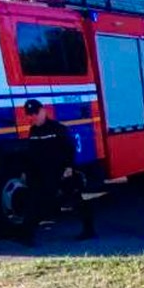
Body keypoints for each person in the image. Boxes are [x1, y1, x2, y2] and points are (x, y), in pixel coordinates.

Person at [21, 99, 96, 244]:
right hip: (43, 174)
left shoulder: (57, 128)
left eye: (36, 112)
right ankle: (27, 236)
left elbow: (69, 149)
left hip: (62, 172)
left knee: (76, 200)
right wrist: (26, 172)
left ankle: (89, 230)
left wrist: (69, 167)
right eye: (30, 114)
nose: (34, 116)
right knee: (34, 202)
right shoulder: (33, 132)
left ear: (43, 111)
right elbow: (31, 155)